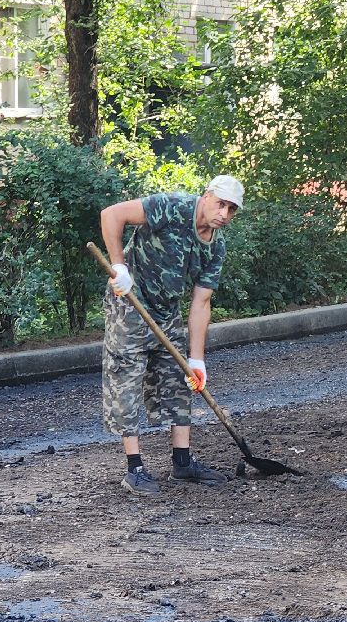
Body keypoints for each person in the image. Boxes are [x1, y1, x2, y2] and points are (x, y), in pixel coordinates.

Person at [99, 175, 244, 495]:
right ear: (206, 196)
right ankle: (134, 468)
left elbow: (201, 302)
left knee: (180, 380)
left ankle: (182, 462)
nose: (224, 213)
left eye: (231, 209)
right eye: (221, 203)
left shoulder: (215, 246)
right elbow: (112, 214)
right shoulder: (172, 206)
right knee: (127, 380)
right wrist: (119, 267)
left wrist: (197, 359)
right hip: (130, 304)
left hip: (167, 313)